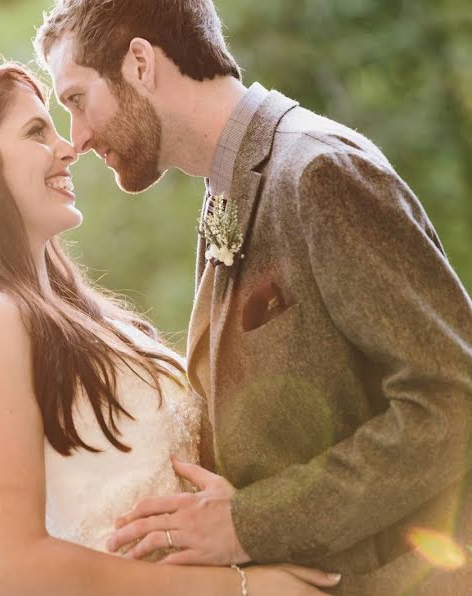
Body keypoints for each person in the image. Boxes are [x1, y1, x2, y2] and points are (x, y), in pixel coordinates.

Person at [34, 1, 472, 594]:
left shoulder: (319, 171)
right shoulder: (228, 191)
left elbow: (452, 402)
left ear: (140, 63)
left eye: (77, 100)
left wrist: (249, 524)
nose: (77, 138)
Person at [0, 61, 341, 594]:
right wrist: (247, 589)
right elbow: (10, 569)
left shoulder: (84, 316)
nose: (69, 147)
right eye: (35, 131)